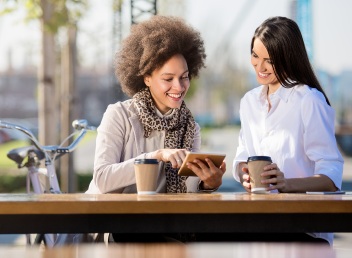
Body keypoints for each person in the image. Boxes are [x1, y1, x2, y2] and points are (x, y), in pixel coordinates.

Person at [56, 15, 226, 245]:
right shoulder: (119, 115)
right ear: (147, 78)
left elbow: (189, 193)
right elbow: (103, 179)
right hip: (113, 226)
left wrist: (208, 184)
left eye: (184, 77)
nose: (179, 86)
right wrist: (156, 156)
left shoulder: (190, 127)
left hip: (160, 226)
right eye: (168, 78)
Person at [233, 16, 344, 245]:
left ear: (288, 58)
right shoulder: (249, 102)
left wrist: (287, 184)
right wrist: (244, 173)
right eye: (255, 55)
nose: (259, 67)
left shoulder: (308, 100)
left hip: (303, 230)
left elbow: (331, 176)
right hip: (258, 224)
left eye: (269, 60)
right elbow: (242, 154)